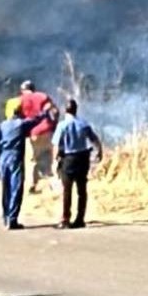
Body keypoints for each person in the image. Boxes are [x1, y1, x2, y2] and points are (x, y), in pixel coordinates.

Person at [0, 102, 57, 230]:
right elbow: (36, 120)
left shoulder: (2, 125)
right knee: (16, 187)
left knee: (5, 187)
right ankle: (12, 219)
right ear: (19, 112)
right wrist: (45, 111)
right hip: (15, 156)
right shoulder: (20, 124)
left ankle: (6, 217)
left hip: (3, 157)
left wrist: (0, 156)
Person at [51, 98, 104, 229]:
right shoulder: (84, 124)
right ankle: (80, 218)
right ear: (76, 110)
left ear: (65, 110)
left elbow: (56, 145)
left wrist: (54, 161)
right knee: (82, 189)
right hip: (82, 158)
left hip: (68, 159)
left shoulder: (62, 125)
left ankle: (65, 219)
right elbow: (94, 139)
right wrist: (99, 151)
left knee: (67, 190)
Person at [18, 79, 59, 193]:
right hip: (47, 130)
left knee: (31, 160)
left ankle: (31, 186)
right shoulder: (43, 96)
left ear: (23, 90)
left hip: (32, 135)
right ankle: (56, 184)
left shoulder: (20, 100)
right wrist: (54, 126)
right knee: (54, 158)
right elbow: (54, 112)